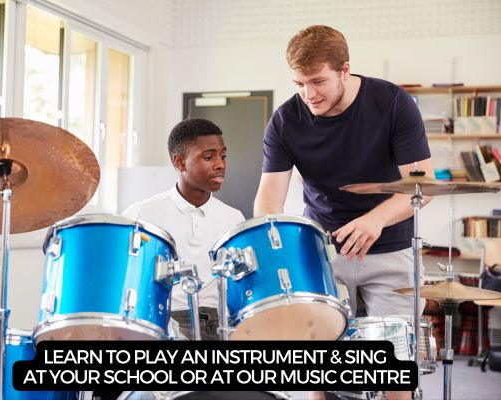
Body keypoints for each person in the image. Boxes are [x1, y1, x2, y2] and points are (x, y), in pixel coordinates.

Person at [253, 25, 434, 399]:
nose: (308, 94)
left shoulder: (393, 103)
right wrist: (278, 250)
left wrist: (375, 219)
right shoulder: (286, 120)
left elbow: (423, 185)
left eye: (318, 81)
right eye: (299, 83)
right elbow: (268, 199)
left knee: (395, 370)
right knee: (317, 369)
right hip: (323, 252)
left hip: (390, 247)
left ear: (345, 69)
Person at [123, 118, 245, 340]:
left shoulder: (233, 218)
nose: (220, 164)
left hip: (219, 325)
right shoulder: (142, 215)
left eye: (223, 156)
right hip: (163, 323)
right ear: (179, 163)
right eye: (208, 157)